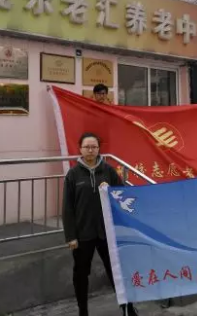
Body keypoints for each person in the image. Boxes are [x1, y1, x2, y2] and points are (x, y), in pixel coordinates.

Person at [62, 132, 138, 316]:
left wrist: (111, 192)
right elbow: (67, 208)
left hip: (107, 232)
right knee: (81, 273)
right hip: (83, 234)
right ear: (80, 149)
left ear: (98, 149)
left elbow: (122, 195)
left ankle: (128, 309)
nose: (90, 150)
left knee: (116, 273)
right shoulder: (73, 175)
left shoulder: (108, 171)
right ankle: (83, 311)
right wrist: (71, 236)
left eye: (94, 147)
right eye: (87, 147)